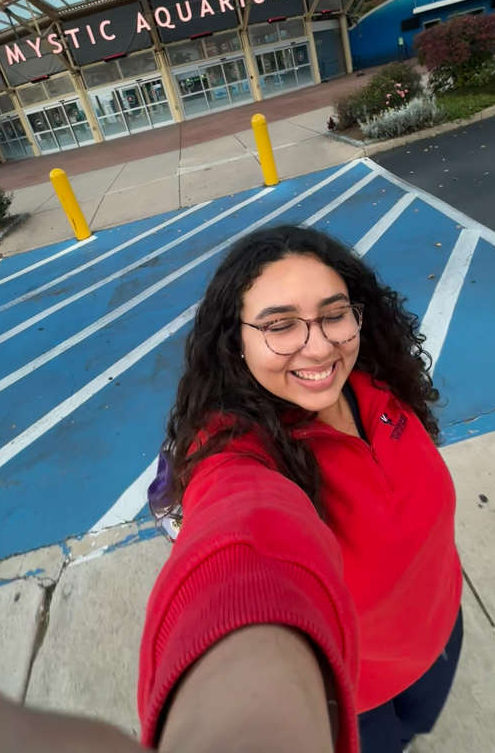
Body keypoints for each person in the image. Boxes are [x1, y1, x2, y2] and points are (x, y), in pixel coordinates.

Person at [140, 224, 463, 753]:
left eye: (334, 315)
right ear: (235, 342)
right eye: (280, 326)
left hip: (441, 632)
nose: (319, 347)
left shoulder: (376, 380)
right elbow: (237, 531)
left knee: (418, 727)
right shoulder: (238, 449)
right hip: (352, 695)